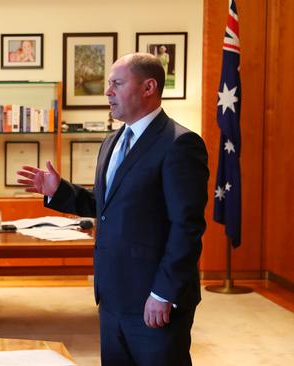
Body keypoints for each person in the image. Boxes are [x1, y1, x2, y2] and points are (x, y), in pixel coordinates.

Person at [17, 53, 208, 365]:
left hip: (153, 298)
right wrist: (59, 191)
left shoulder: (180, 144)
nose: (107, 91)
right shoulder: (112, 141)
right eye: (108, 84)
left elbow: (186, 228)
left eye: (117, 83)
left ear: (148, 87)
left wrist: (163, 293)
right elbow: (106, 206)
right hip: (112, 297)